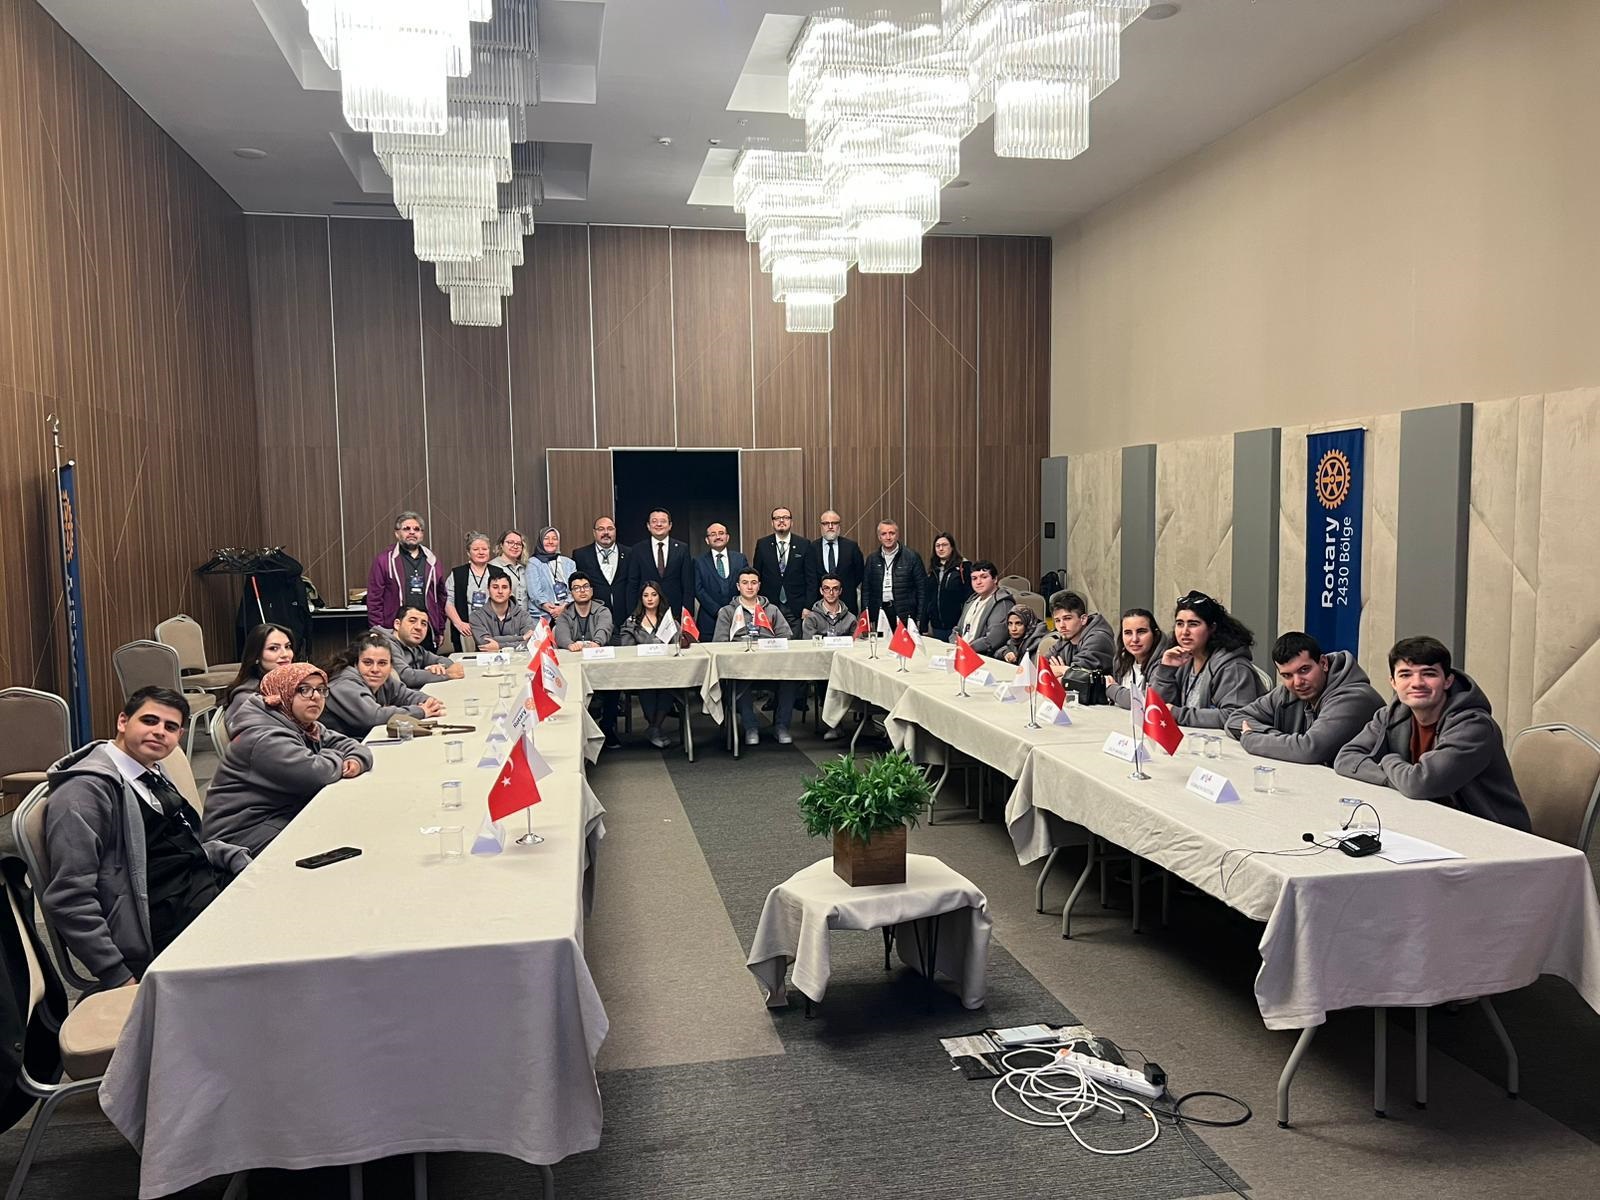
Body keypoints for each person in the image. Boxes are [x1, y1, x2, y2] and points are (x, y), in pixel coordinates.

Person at [42, 687, 252, 988]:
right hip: (168, 929)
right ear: (123, 722)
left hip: (202, 890)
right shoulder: (83, 792)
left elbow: (181, 843)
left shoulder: (150, 770)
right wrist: (118, 975)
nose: (159, 732)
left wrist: (232, 858)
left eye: (170, 727)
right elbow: (69, 898)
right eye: (149, 721)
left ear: (180, 735)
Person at [1335, 637, 1530, 830]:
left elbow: (1420, 784)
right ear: (1393, 682)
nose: (1417, 683)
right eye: (1405, 675)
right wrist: (1395, 779)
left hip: (1491, 831)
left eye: (1429, 674)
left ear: (1447, 681)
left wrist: (1387, 761)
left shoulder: (1474, 726)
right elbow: (1345, 759)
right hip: (1428, 821)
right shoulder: (1389, 715)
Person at [203, 664, 374, 855]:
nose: (316, 696)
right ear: (281, 694)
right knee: (341, 840)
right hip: (244, 832)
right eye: (304, 690)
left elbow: (352, 746)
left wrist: (355, 758)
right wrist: (337, 757)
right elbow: (315, 774)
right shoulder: (263, 736)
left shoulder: (301, 724)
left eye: (321, 689)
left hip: (280, 814)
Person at [1225, 632, 1385, 765]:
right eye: (1287, 675)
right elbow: (1235, 719)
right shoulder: (1288, 692)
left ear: (1323, 663)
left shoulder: (1354, 698)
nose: (1297, 682)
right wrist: (1274, 737)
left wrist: (1252, 738)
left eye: (1304, 670)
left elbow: (1309, 750)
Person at [1147, 591, 1267, 728]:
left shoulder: (1233, 667)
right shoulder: (1183, 658)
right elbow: (1156, 710)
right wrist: (1166, 671)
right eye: (1180, 624)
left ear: (1212, 628)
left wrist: (1179, 714)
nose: (1184, 632)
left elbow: (1235, 716)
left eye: (1193, 624)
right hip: (1191, 737)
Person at [714, 568, 797, 746]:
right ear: (738, 586)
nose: (749, 587)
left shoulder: (772, 610)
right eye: (745, 583)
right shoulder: (727, 612)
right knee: (738, 680)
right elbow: (719, 643)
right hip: (740, 666)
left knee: (791, 679)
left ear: (759, 586)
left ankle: (781, 726)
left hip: (772, 666)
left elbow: (786, 637)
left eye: (753, 583)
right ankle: (750, 727)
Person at [322, 633, 444, 737]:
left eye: (382, 663)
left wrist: (429, 702)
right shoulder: (344, 683)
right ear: (356, 664)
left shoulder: (383, 679)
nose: (375, 669)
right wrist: (420, 711)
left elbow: (405, 695)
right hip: (336, 750)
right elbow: (373, 717)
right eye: (367, 662)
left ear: (391, 666)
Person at [615, 581, 690, 749]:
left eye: (654, 595)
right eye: (646, 595)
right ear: (641, 598)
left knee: (669, 686)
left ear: (659, 597)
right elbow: (627, 648)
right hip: (641, 672)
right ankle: (654, 729)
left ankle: (654, 728)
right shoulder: (632, 622)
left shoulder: (669, 620)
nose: (650, 599)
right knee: (647, 685)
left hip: (666, 671)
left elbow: (677, 644)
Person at [365, 511, 447, 645]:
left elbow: (441, 597)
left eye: (416, 529)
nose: (412, 532)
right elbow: (374, 599)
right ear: (397, 533)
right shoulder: (384, 560)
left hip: (425, 630)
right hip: (394, 632)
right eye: (406, 529)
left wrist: (440, 629)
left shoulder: (432, 561)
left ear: (422, 534)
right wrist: (378, 630)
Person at [802, 575, 857, 741]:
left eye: (835, 589)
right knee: (827, 679)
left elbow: (856, 644)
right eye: (827, 588)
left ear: (840, 591)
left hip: (845, 665)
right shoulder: (812, 617)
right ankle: (833, 724)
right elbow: (809, 643)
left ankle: (855, 720)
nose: (831, 592)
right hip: (820, 665)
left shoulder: (851, 618)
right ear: (821, 591)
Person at [622, 508, 695, 619]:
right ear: (648, 526)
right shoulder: (638, 550)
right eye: (654, 521)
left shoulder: (682, 549)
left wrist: (687, 615)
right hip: (645, 613)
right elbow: (633, 584)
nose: (659, 524)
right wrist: (633, 613)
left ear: (670, 525)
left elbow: (687, 585)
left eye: (663, 521)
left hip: (675, 612)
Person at [222, 623, 296, 726]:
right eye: (273, 648)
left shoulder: (294, 684)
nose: (285, 654)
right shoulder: (247, 697)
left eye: (287, 647)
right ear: (256, 655)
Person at [372, 605, 464, 687]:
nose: (418, 627)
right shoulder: (383, 645)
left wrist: (439, 668)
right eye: (412, 621)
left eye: (423, 624)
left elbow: (445, 661)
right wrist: (446, 674)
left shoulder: (414, 647)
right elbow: (406, 677)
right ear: (397, 624)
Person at [751, 506, 811, 628]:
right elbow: (757, 576)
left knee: (796, 640)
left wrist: (807, 606)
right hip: (769, 606)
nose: (781, 521)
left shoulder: (803, 544)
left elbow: (810, 578)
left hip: (796, 608)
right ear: (772, 523)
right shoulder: (762, 544)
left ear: (791, 522)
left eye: (785, 518)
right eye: (777, 518)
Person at [862, 519, 926, 627]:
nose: (888, 537)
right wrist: (867, 617)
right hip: (879, 613)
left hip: (905, 614)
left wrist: (920, 617)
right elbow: (866, 590)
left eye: (891, 533)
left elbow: (922, 589)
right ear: (879, 537)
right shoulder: (872, 559)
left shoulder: (912, 557)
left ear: (897, 535)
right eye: (884, 534)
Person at [1105, 609, 1168, 709]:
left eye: (1141, 632)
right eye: (1128, 633)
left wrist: (1113, 690)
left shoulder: (1165, 663)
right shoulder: (1120, 660)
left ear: (1155, 634)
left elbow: (1148, 701)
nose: (1134, 639)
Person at [445, 532, 495, 652]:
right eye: (476, 549)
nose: (481, 552)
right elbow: (447, 601)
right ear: (468, 553)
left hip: (492, 630)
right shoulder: (457, 574)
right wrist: (459, 623)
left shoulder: (498, 572)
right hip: (465, 630)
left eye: (484, 549)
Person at [1045, 591, 1115, 677]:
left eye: (1067, 618)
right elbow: (1042, 670)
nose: (1061, 625)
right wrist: (1064, 671)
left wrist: (1062, 670)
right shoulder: (1066, 638)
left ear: (1083, 619)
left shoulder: (1099, 639)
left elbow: (1077, 677)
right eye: (1057, 620)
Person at [804, 511, 863, 611]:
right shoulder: (812, 548)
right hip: (820, 607)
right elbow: (810, 580)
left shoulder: (851, 547)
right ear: (821, 526)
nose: (830, 527)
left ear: (839, 526)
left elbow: (859, 574)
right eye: (826, 523)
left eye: (834, 523)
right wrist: (809, 606)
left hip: (847, 605)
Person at [953, 561, 1015, 656]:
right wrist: (955, 642)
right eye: (974, 578)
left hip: (983, 656)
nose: (978, 582)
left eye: (984, 577)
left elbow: (994, 638)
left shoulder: (1003, 602)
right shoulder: (971, 600)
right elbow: (958, 629)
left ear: (995, 579)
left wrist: (967, 648)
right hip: (962, 652)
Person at [695, 521, 749, 629]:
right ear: (707, 540)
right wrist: (718, 611)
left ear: (727, 537)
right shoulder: (698, 562)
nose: (718, 537)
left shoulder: (740, 559)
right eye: (713, 534)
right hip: (709, 620)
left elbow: (746, 585)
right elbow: (698, 590)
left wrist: (734, 609)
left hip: (738, 616)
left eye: (721, 533)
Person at [572, 516, 630, 614]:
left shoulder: (629, 553)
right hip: (594, 614)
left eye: (610, 529)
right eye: (601, 529)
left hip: (625, 613)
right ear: (594, 533)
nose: (606, 532)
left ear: (615, 531)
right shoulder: (581, 555)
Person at [492, 528, 557, 614]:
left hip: (524, 618)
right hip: (502, 617)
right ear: (501, 544)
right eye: (510, 542)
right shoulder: (492, 567)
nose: (515, 546)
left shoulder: (524, 568)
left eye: (519, 544)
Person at [920, 532, 971, 641]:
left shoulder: (963, 567)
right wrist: (923, 623)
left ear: (952, 547)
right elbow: (927, 598)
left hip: (957, 624)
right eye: (937, 546)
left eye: (944, 545)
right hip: (936, 625)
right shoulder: (933, 569)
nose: (941, 548)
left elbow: (969, 596)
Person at [470, 567, 536, 651]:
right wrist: (521, 638)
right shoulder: (476, 616)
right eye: (495, 587)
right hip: (487, 658)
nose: (500, 591)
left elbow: (530, 642)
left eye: (504, 587)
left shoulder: (523, 615)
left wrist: (499, 646)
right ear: (488, 590)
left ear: (510, 591)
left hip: (517, 658)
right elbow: (484, 643)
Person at [553, 572, 614, 650]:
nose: (582, 590)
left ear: (591, 591)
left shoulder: (603, 612)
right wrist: (570, 645)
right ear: (571, 594)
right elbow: (562, 636)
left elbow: (603, 629)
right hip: (573, 654)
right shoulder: (564, 615)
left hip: (598, 653)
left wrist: (597, 642)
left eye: (586, 586)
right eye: (577, 588)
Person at [533, 526, 578, 617]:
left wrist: (564, 607)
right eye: (546, 538)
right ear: (540, 541)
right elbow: (535, 593)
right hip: (543, 614)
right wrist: (552, 610)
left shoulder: (570, 563)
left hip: (568, 611)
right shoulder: (533, 563)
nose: (550, 542)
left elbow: (575, 587)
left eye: (554, 539)